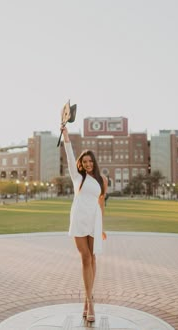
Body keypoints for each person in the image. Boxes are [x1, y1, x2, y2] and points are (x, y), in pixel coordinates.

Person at [61, 125, 108, 323]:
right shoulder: (77, 177)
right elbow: (70, 156)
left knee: (93, 259)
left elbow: (101, 203)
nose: (88, 164)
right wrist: (65, 135)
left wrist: (102, 227)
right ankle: (91, 303)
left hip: (94, 221)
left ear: (94, 163)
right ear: (81, 163)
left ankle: (87, 303)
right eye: (85, 161)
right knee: (85, 258)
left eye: (90, 161)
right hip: (79, 220)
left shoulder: (102, 179)